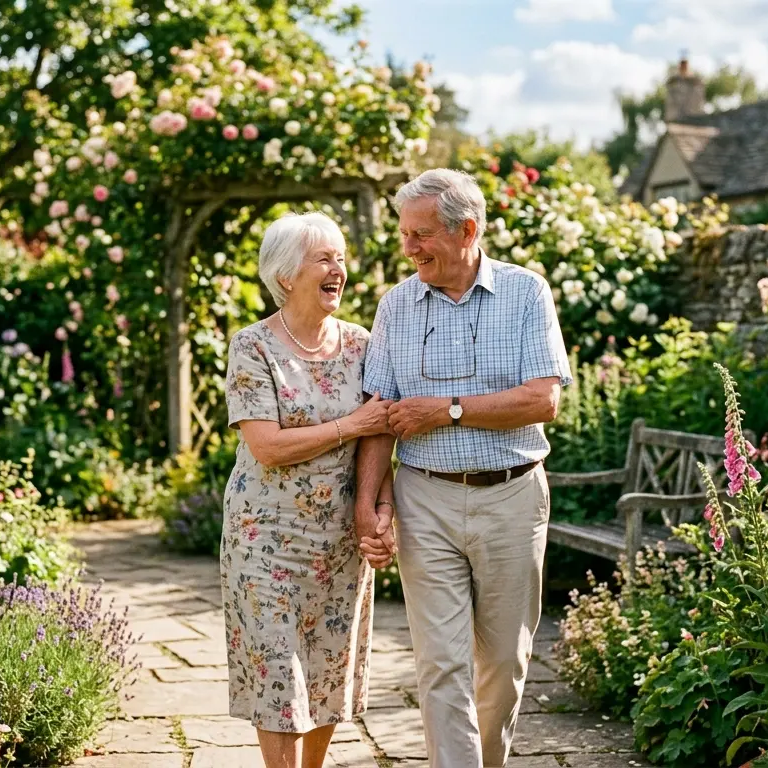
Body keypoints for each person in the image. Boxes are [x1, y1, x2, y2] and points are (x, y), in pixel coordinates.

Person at [356, 168, 573, 768]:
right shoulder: (395, 306)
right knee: (441, 661)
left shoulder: (527, 293)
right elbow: (378, 415)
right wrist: (369, 504)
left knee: (504, 661)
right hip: (425, 496)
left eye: (421, 234)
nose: (409, 248)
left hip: (513, 495)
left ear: (466, 230)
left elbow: (543, 401)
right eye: (405, 234)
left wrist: (447, 411)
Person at [221, 211, 395, 768]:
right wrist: (351, 426)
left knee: (325, 672)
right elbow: (266, 446)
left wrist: (381, 508)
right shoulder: (253, 347)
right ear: (285, 274)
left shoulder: (362, 345)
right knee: (277, 673)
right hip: (264, 539)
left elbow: (381, 437)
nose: (338, 269)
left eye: (340, 258)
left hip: (339, 541)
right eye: (324, 258)